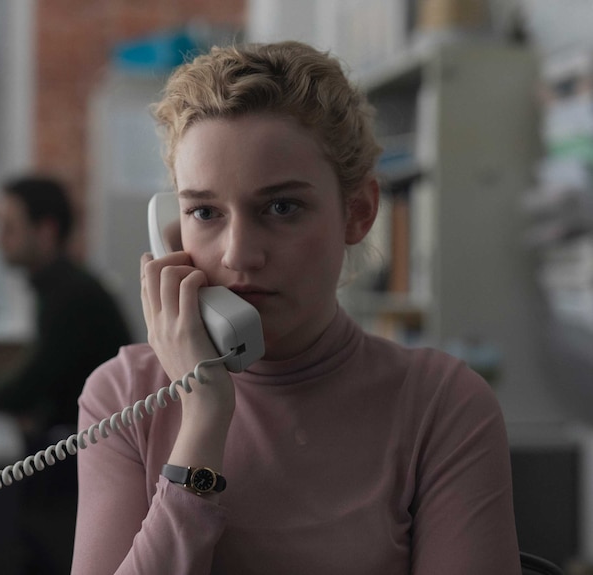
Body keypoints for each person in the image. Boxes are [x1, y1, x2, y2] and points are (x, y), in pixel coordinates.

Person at [71, 41, 520, 574]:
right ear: (172, 228)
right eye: (206, 211)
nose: (239, 253)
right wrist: (202, 417)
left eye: (281, 207)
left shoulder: (442, 406)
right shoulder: (123, 397)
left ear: (357, 213)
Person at [0, 174, 133, 574]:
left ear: (46, 230)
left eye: (8, 227)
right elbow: (41, 374)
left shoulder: (71, 296)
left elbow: (27, 385)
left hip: (87, 474)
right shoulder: (60, 287)